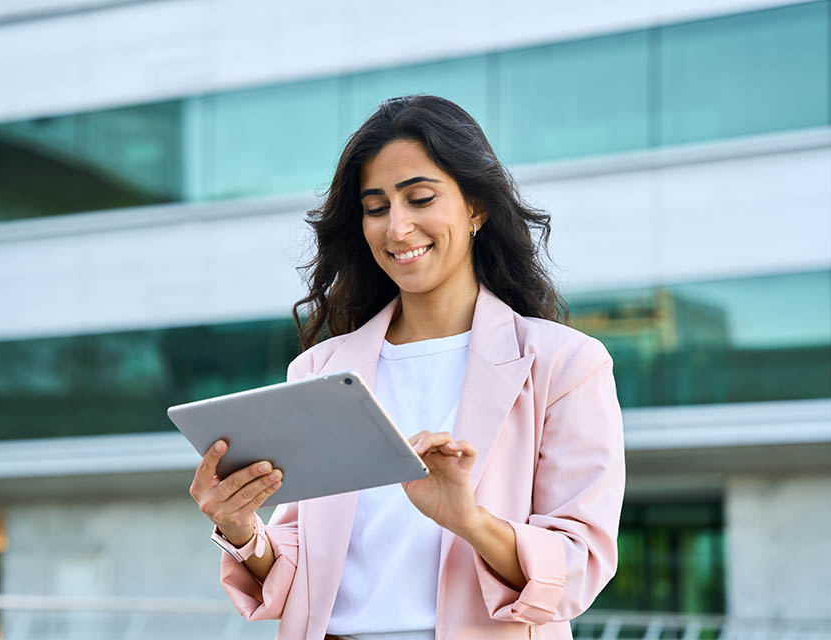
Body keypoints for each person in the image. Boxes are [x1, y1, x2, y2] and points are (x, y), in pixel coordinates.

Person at [189, 95, 626, 640]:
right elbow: (299, 571)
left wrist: (469, 520)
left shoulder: (565, 364)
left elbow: (579, 565)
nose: (397, 228)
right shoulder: (320, 369)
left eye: (420, 198)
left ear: (476, 208)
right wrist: (238, 526)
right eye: (376, 208)